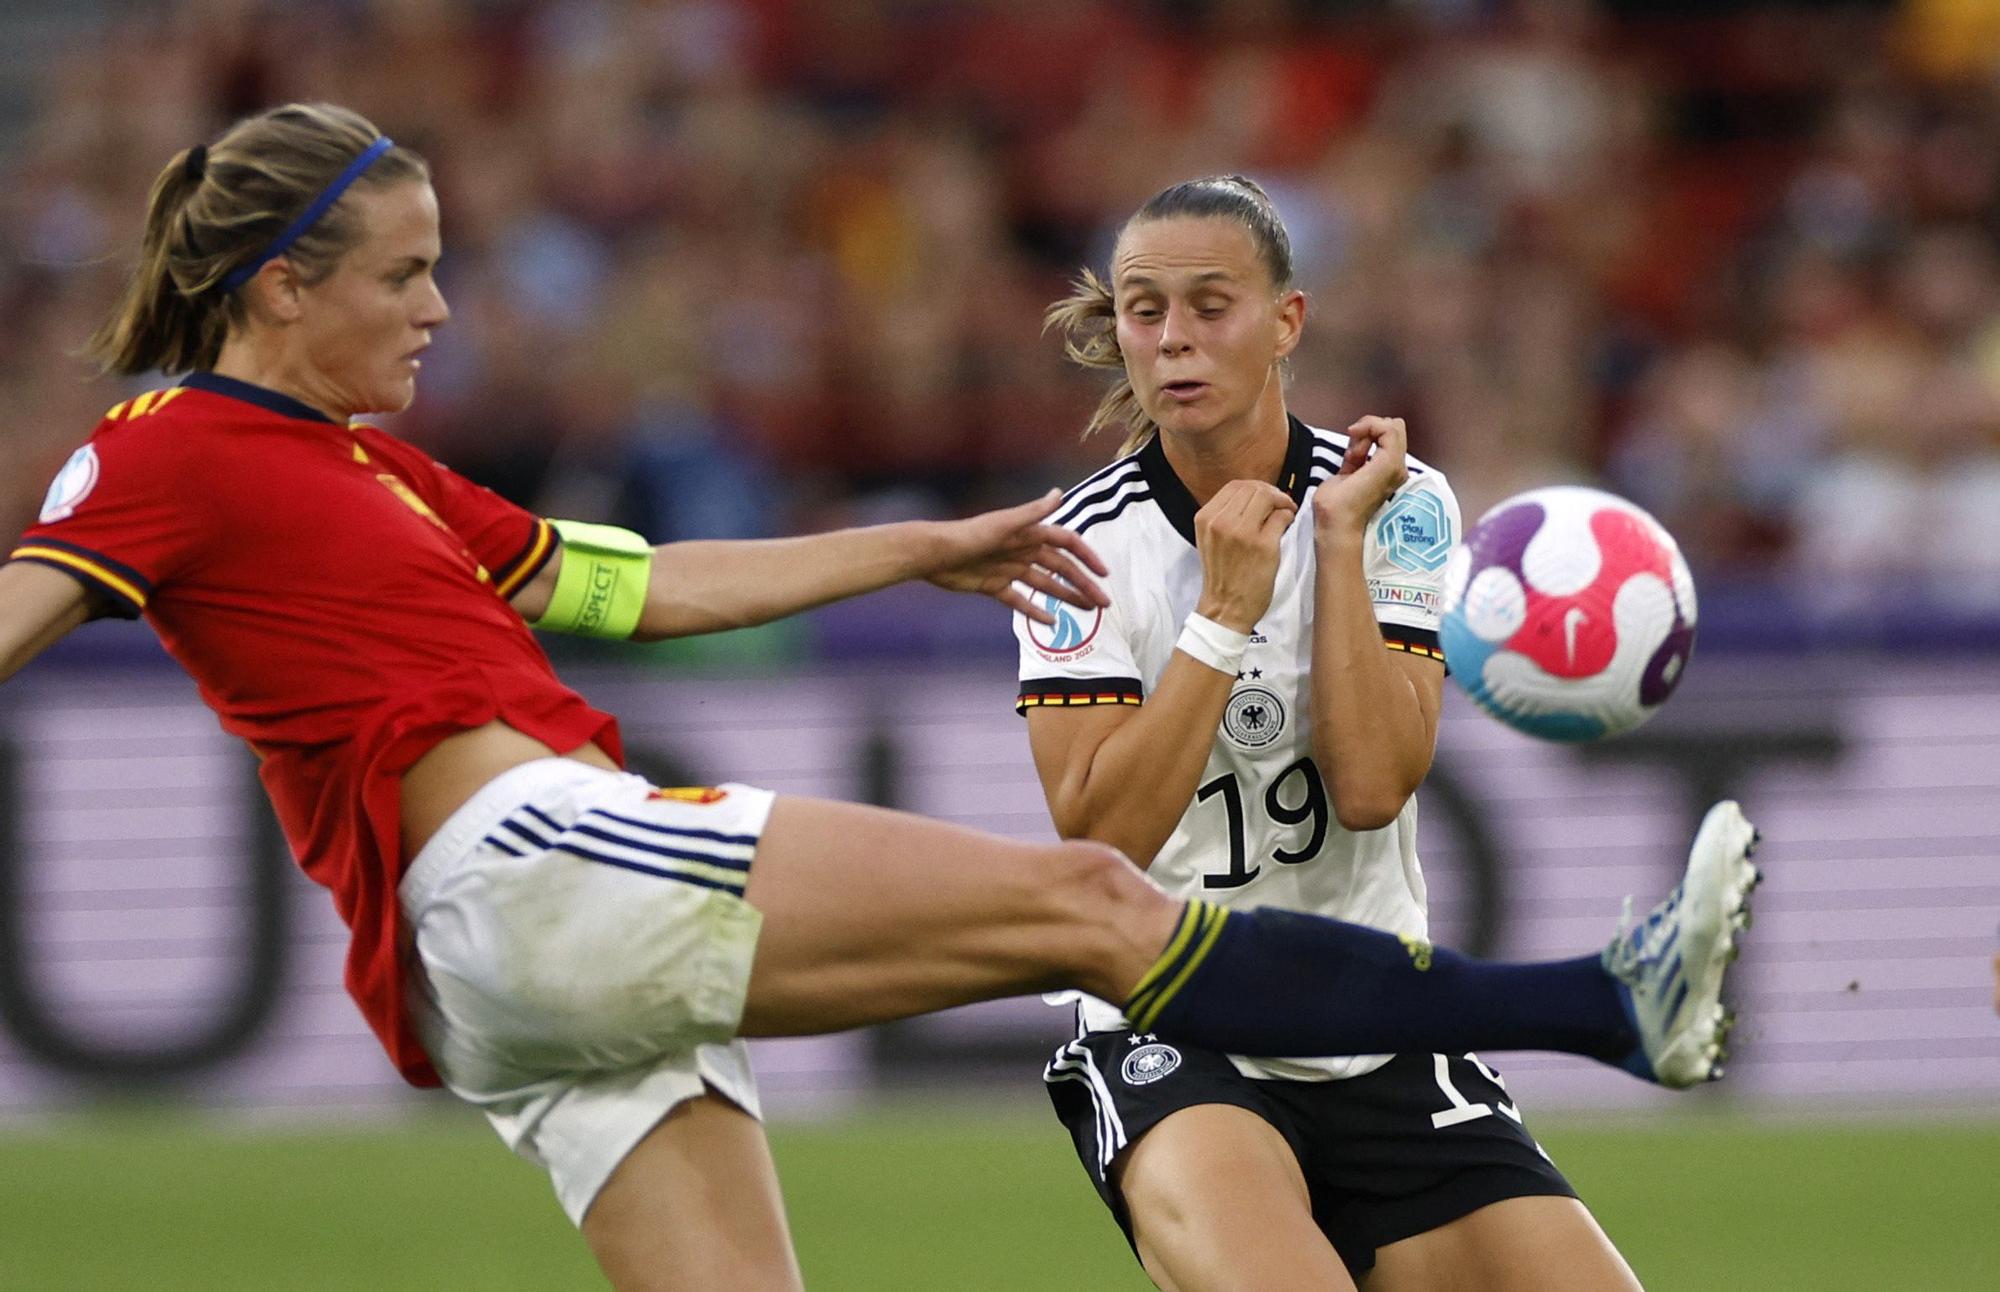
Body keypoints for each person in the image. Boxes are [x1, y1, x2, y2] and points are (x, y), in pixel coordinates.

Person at [0, 108, 1757, 1292]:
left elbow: (635, 584)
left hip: (512, 986)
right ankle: (1594, 1001)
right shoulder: (170, 449)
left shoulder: (384, 478)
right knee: (1088, 901)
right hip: (524, 862)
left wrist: (925, 539)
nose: (443, 306)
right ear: (281, 286)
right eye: (404, 274)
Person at [1018, 174, 1759, 1292]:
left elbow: (1370, 784)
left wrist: (1339, 547)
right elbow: (1103, 834)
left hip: (1377, 1027)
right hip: (1172, 1029)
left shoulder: (1394, 502)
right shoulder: (1077, 545)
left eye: (1208, 305)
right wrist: (1220, 615)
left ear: (1286, 321)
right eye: (1141, 308)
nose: (1170, 338)